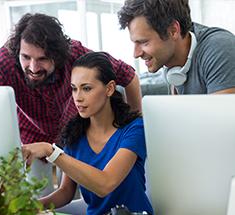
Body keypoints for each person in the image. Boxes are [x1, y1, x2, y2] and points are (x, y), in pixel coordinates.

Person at [22, 52, 153, 215]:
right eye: (74, 89)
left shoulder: (134, 129)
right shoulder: (73, 136)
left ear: (109, 88)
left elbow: (106, 183)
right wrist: (27, 207)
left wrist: (51, 151)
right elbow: (65, 193)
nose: (78, 98)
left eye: (87, 88)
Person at [0, 13, 142, 145]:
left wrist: (135, 128)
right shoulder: (4, 61)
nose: (33, 68)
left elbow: (128, 75)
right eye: (25, 57)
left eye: (43, 59)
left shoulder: (76, 54)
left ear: (57, 55)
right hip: (30, 136)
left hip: (74, 132)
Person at [118, 0, 235, 94]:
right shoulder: (173, 65)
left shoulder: (220, 48)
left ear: (173, 31)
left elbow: (222, 121)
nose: (136, 54)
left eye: (144, 42)